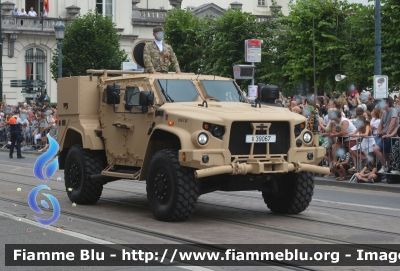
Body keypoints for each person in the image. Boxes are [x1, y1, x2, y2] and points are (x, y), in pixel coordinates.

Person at [374, 98, 399, 173]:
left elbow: (392, 123)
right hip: (386, 136)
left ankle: (383, 166)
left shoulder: (393, 110)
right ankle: (387, 169)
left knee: (376, 149)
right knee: (387, 154)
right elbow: (380, 124)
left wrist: (387, 134)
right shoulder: (384, 112)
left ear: (387, 104)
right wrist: (378, 133)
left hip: (391, 136)